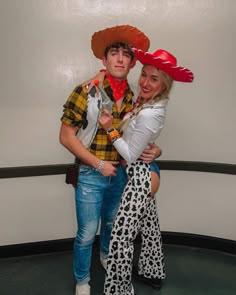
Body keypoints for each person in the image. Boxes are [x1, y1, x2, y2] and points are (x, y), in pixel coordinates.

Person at [59, 25, 162, 295]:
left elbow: (140, 137)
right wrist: (98, 164)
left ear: (132, 63)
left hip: (121, 174)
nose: (119, 58)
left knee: (112, 223)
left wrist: (157, 151)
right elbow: (66, 137)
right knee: (86, 232)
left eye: (125, 54)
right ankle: (82, 279)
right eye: (113, 53)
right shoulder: (85, 91)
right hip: (91, 174)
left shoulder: (135, 99)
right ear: (104, 61)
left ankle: (106, 255)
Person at [97, 48, 194, 295]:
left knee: (121, 237)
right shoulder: (144, 103)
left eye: (154, 78)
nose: (145, 82)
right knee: (149, 227)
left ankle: (119, 290)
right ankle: (152, 272)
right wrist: (157, 149)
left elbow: (129, 154)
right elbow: (141, 142)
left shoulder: (151, 112)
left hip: (139, 175)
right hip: (142, 171)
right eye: (144, 75)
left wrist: (110, 129)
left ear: (165, 85)